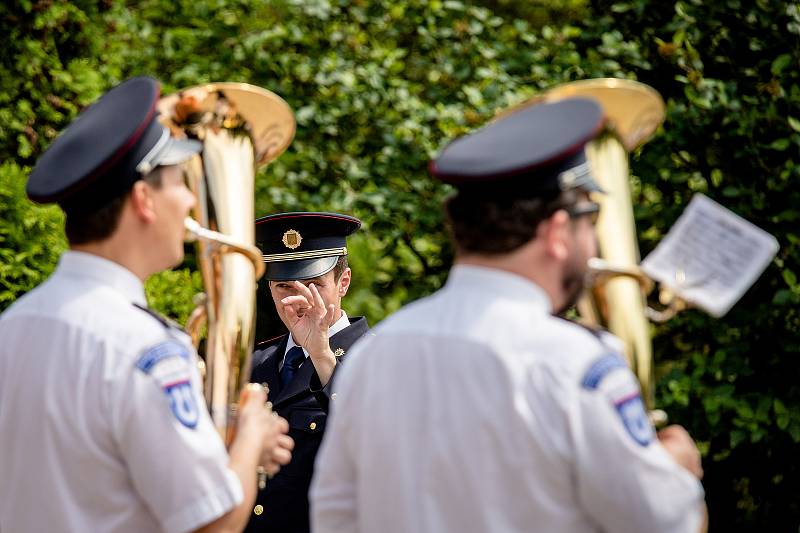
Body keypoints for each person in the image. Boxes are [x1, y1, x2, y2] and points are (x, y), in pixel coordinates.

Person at [310, 98, 707, 532]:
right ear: (557, 231)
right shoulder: (577, 364)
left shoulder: (373, 356)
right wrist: (680, 474)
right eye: (589, 222)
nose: (593, 244)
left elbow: (333, 517)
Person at [0, 76, 293, 533]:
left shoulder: (13, 325)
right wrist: (251, 437)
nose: (192, 200)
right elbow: (213, 524)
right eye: (180, 181)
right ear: (144, 200)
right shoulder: (145, 348)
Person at [244, 212, 370, 532]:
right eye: (283, 285)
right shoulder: (256, 363)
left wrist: (321, 355)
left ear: (343, 282)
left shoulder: (376, 358)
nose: (297, 300)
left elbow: (375, 437)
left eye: (314, 284)